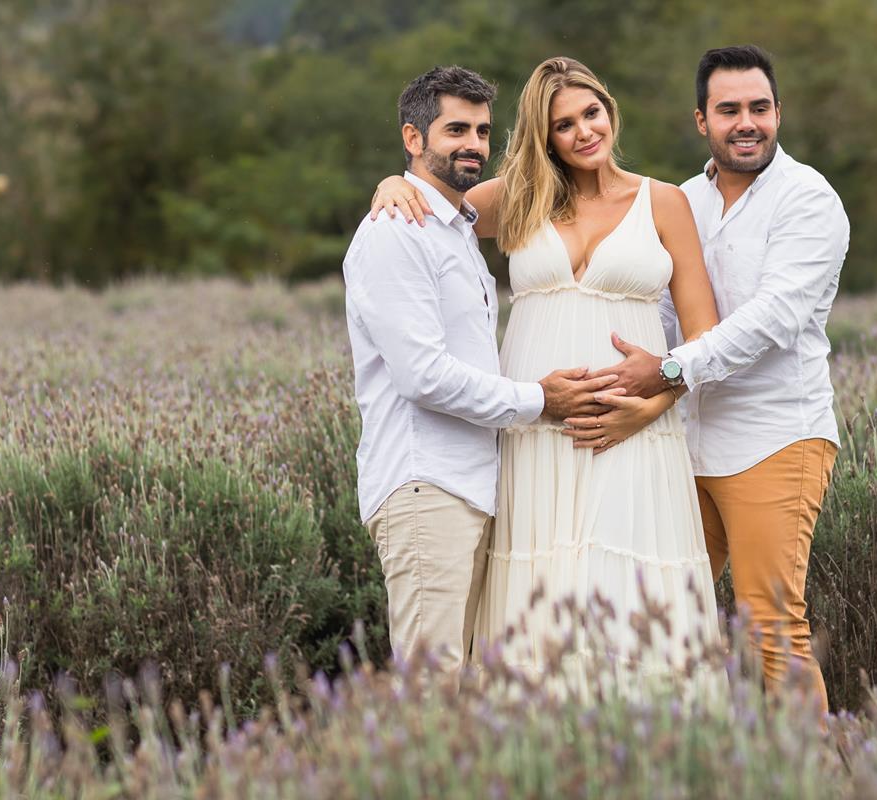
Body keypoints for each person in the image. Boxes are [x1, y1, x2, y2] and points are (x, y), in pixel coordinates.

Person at [371, 57, 726, 690]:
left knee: (627, 595)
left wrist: (651, 405)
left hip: (636, 434)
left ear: (610, 110)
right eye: (563, 124)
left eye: (592, 113)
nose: (584, 132)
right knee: (542, 595)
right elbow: (431, 203)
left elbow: (704, 336)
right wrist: (387, 186)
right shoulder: (515, 199)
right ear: (544, 136)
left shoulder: (664, 203)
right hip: (535, 433)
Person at [584, 45, 851, 713]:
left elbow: (775, 318)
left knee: (769, 621)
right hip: (682, 445)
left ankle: (813, 774)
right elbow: (663, 310)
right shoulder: (683, 201)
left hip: (774, 439)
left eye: (759, 108)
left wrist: (670, 371)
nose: (747, 123)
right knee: (662, 618)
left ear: (778, 113)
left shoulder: (809, 198)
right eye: (728, 109)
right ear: (701, 120)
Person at [343, 66, 618, 676]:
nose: (472, 144)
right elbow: (422, 377)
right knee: (429, 690)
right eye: (455, 130)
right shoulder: (397, 233)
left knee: (463, 690)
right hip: (425, 488)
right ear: (414, 140)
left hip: (471, 486)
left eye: (482, 131)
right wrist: (539, 400)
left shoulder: (455, 230)